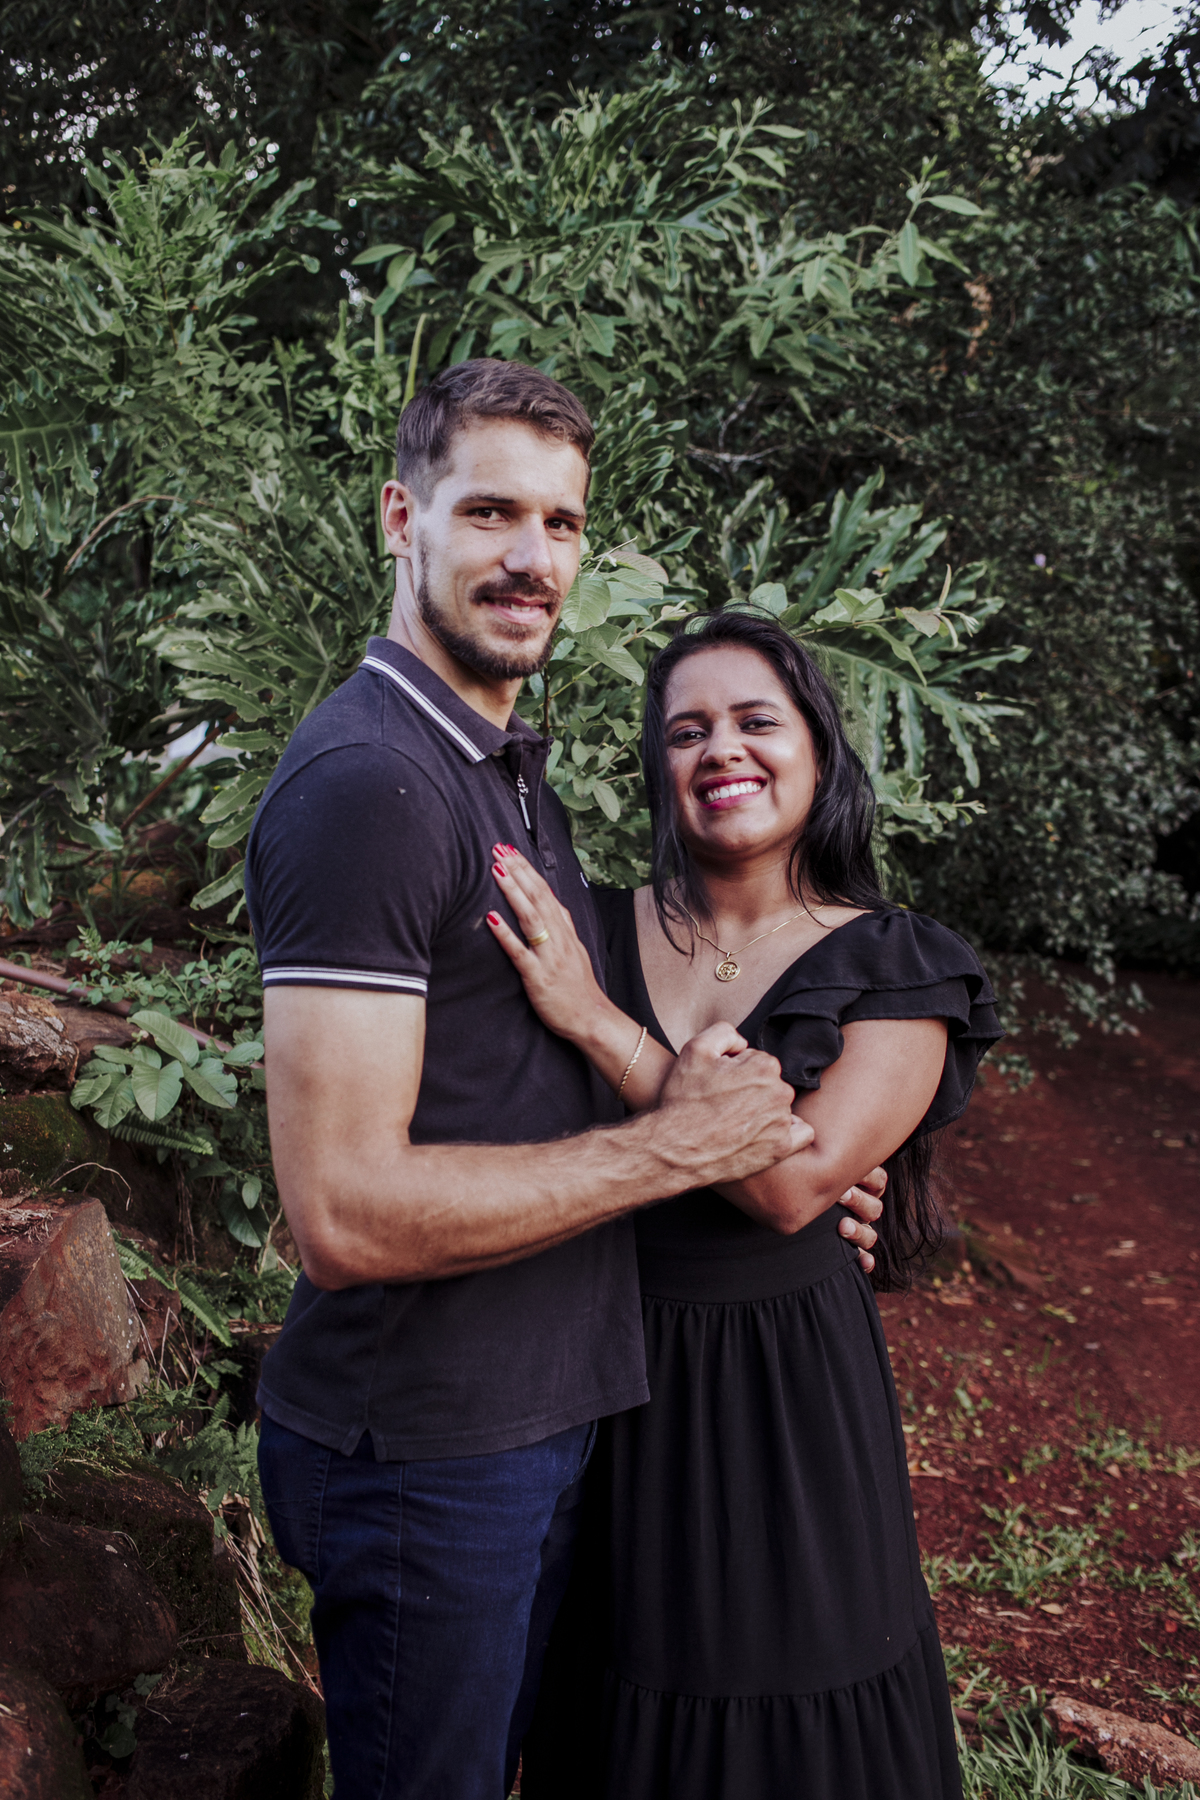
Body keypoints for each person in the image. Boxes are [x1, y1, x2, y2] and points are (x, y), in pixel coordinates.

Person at [245, 360, 883, 1799]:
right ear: (401, 519)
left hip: (541, 1414)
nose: (533, 557)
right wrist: (682, 1151)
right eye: (491, 512)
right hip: (426, 1446)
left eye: (562, 522)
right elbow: (343, 1212)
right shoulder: (368, 786)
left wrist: (789, 1178)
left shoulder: (500, 766)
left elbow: (529, 1078)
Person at [484, 608, 1003, 1800]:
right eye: (687, 731)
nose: (723, 749)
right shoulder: (591, 925)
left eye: (756, 721)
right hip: (596, 1369)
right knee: (613, 1696)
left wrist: (602, 1028)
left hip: (782, 1395)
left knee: (787, 1700)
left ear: (817, 749)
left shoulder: (898, 964)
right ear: (660, 769)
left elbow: (786, 1188)